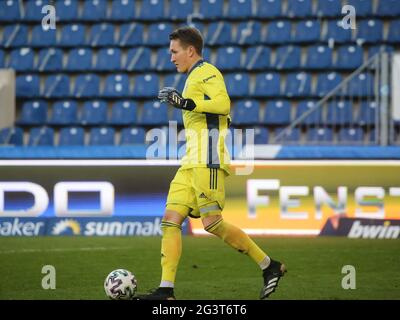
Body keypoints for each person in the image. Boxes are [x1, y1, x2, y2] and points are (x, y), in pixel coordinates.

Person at [137, 27, 286, 300]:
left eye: (174, 51)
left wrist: (185, 102)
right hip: (190, 160)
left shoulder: (206, 71)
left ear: (190, 50)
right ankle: (166, 290)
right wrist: (184, 102)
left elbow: (223, 104)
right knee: (170, 221)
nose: (170, 57)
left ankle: (269, 265)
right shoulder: (193, 75)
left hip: (208, 157)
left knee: (212, 223)